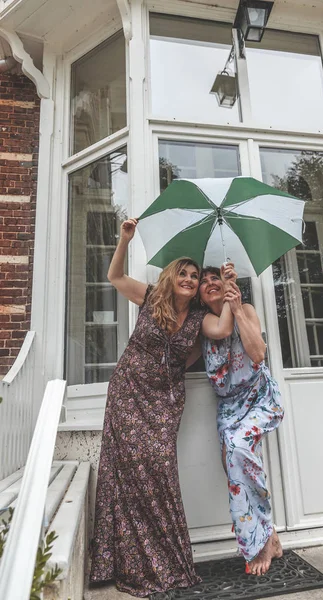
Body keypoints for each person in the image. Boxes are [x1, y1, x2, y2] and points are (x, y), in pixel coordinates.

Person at [90, 219, 235, 597]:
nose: (188, 278)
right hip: (127, 394)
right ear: (172, 277)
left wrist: (231, 293)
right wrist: (124, 239)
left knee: (159, 473)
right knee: (128, 476)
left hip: (164, 401)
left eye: (193, 275)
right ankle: (128, 562)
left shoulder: (202, 318)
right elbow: (115, 276)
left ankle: (167, 560)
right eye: (183, 273)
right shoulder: (151, 296)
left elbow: (221, 331)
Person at [198, 266, 284, 576]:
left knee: (237, 449)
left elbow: (258, 354)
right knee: (235, 469)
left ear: (225, 283)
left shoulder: (245, 308)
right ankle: (269, 536)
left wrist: (236, 307)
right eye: (203, 281)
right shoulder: (205, 323)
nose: (209, 283)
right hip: (228, 407)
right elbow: (216, 335)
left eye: (214, 278)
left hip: (259, 397)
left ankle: (258, 544)